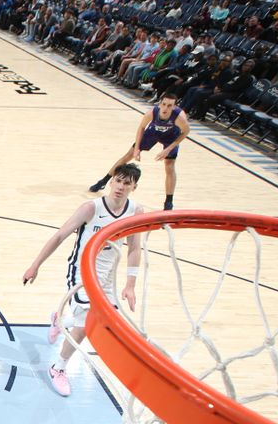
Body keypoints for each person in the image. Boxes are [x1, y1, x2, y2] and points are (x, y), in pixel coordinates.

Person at [22, 163, 143, 397]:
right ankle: (58, 367)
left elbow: (135, 248)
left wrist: (130, 284)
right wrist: (35, 265)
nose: (120, 186)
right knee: (87, 323)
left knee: (99, 321)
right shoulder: (91, 208)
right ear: (111, 182)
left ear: (134, 187)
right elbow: (59, 235)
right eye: (118, 180)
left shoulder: (136, 212)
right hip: (82, 270)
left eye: (126, 183)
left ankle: (60, 321)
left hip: (108, 275)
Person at [88, 93, 190, 210]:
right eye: (164, 104)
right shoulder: (152, 113)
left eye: (169, 106)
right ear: (159, 103)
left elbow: (185, 132)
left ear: (174, 107)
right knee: (128, 156)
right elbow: (141, 128)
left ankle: (168, 201)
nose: (166, 108)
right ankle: (103, 181)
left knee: (170, 166)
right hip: (153, 132)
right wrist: (137, 149)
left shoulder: (179, 118)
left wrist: (168, 149)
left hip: (171, 136)